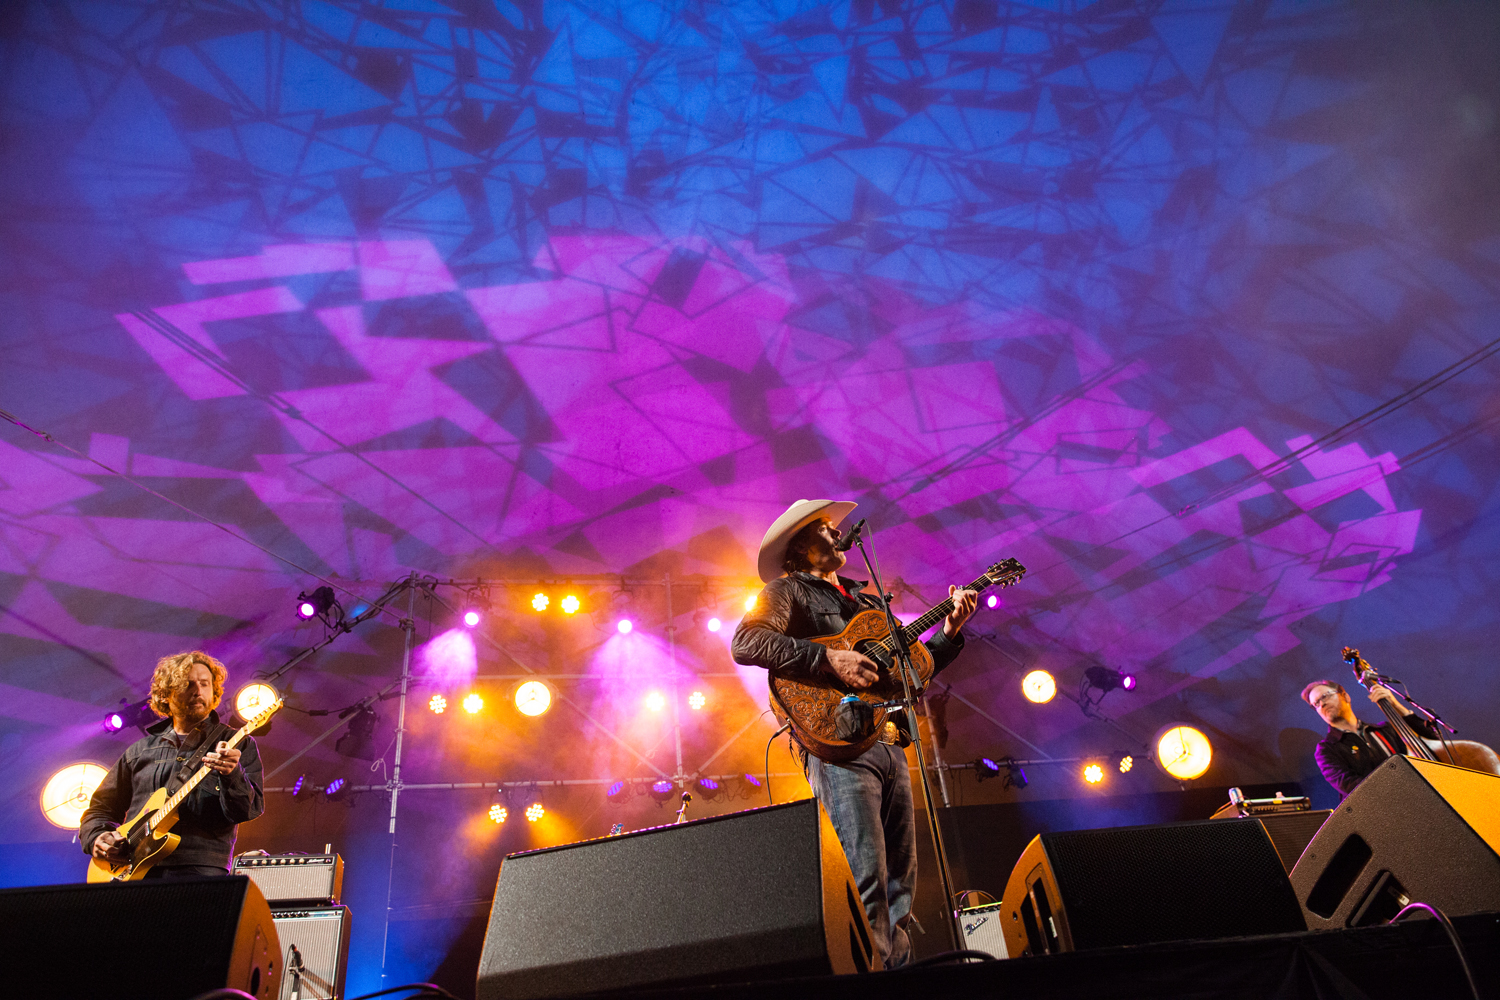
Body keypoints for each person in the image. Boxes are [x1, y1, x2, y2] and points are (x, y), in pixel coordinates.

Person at [732, 499, 978, 969]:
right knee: (866, 873)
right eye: (824, 529)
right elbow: (746, 643)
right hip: (837, 741)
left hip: (887, 738)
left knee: (900, 884)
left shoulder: (866, 601)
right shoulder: (788, 591)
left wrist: (948, 631)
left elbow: (912, 673)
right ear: (800, 547)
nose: (837, 533)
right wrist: (828, 659)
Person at [81, 650, 264, 877]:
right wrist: (97, 837)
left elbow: (248, 810)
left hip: (200, 871)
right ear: (166, 694)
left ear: (214, 692)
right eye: (187, 684)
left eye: (205, 684)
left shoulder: (238, 744)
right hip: (131, 872)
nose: (198, 691)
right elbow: (100, 809)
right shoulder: (139, 751)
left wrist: (232, 775)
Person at [1303, 677, 1439, 798]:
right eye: (1316, 704)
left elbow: (1432, 742)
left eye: (1325, 696)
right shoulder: (1327, 749)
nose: (1322, 704)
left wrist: (1396, 705)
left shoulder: (1386, 730)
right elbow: (1352, 787)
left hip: (1417, 798)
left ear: (1345, 696)